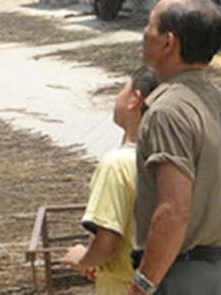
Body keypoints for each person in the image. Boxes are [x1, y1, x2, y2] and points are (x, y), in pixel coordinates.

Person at [129, 0, 221, 295]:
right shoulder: (217, 101)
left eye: (150, 24)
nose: (144, 32)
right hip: (220, 273)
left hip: (180, 277)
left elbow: (173, 211)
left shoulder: (168, 110)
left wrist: (142, 284)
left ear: (168, 43)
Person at [61, 66, 158, 294]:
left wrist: (83, 259)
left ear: (135, 99)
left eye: (122, 89)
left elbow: (107, 244)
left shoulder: (116, 164)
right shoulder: (165, 161)